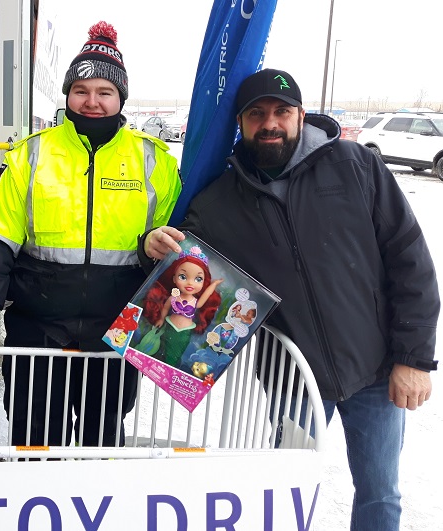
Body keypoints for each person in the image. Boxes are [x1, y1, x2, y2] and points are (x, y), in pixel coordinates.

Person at [142, 68, 439, 530]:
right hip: (295, 380)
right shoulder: (219, 200)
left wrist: (414, 357)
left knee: (380, 495)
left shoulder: (357, 166)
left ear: (301, 115)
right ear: (240, 124)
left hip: (376, 369)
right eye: (257, 114)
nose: (271, 123)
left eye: (282, 111)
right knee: (288, 492)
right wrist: (153, 250)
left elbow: (410, 260)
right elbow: (186, 274)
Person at [0, 21, 181, 447]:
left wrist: (152, 250)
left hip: (117, 331)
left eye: (105, 92)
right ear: (67, 94)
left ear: (121, 98)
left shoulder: (155, 161)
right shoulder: (31, 154)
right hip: (38, 329)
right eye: (82, 90)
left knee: (102, 441)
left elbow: (175, 244)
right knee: (35, 439)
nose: (92, 101)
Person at [132, 248, 222, 368]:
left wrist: (214, 284)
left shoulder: (196, 302)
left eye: (198, 279)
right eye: (183, 277)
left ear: (203, 282)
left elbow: (206, 295)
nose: (190, 283)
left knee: (176, 355)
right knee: (164, 349)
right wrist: (161, 319)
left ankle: (170, 370)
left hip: (184, 333)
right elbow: (164, 309)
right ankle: (162, 367)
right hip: (170, 327)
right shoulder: (173, 298)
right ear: (174, 279)